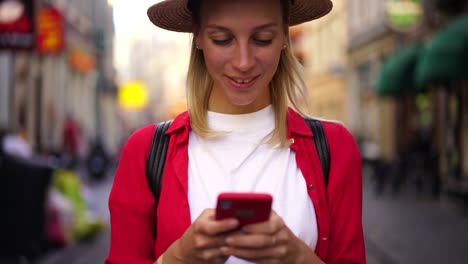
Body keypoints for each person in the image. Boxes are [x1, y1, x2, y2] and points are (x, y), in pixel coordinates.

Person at [106, 0, 366, 263]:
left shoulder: (334, 147)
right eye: (222, 39)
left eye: (263, 39)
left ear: (284, 35)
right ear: (197, 35)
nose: (243, 62)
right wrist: (178, 257)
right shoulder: (146, 151)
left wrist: (298, 257)